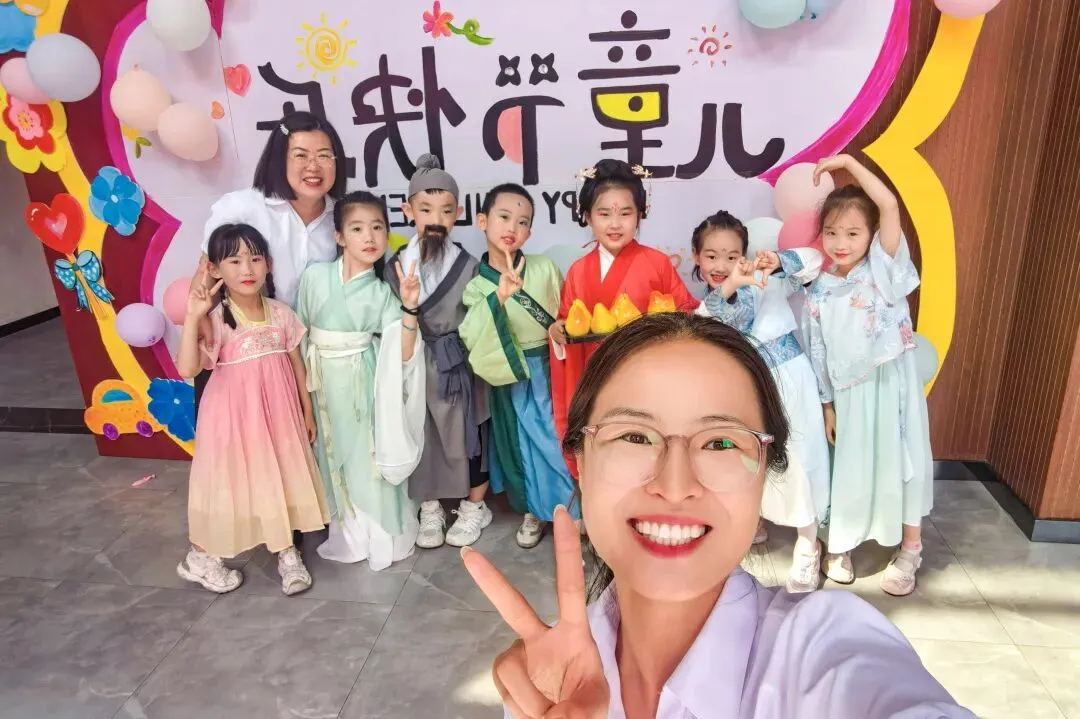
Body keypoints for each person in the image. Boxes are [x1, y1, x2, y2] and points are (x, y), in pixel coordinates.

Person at [461, 313, 974, 718]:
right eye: (634, 436)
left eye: (722, 442)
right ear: (579, 460)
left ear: (765, 472)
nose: (674, 485)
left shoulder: (825, 647)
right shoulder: (551, 684)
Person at [802, 154, 934, 596]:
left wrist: (847, 162)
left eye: (853, 233)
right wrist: (826, 404)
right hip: (846, 393)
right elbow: (817, 350)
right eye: (831, 232)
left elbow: (889, 204)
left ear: (873, 235)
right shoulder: (819, 288)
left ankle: (910, 549)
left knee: (903, 460)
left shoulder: (883, 267)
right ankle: (839, 545)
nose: (840, 242)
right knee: (848, 468)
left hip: (891, 386)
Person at [176, 224, 329, 595]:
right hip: (232, 420)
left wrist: (307, 411)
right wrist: (193, 316)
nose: (247, 269)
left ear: (268, 264)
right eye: (234, 260)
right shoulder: (215, 319)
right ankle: (201, 557)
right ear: (215, 269)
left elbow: (297, 365)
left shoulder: (281, 314)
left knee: (280, 476)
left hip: (279, 417)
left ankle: (287, 551)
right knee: (229, 485)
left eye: (255, 259)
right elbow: (188, 369)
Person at [692, 210, 830, 593]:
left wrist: (779, 261)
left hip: (790, 380)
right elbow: (714, 320)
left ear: (746, 254)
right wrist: (732, 284)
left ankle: (807, 545)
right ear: (697, 257)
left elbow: (815, 262)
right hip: (746, 388)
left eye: (732, 256)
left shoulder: (769, 280)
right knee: (752, 458)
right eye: (712, 255)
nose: (721, 265)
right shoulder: (709, 304)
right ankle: (758, 518)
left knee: (799, 456)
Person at [296, 191, 427, 570]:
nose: (369, 237)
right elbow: (298, 337)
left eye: (377, 228)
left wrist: (409, 307)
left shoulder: (383, 292)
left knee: (367, 459)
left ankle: (381, 535)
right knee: (331, 455)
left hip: (364, 382)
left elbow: (403, 352)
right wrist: (304, 400)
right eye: (357, 229)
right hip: (322, 383)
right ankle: (348, 533)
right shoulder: (314, 277)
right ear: (339, 236)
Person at [192, 111, 347, 409]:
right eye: (300, 155)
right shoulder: (242, 207)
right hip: (246, 357)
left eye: (324, 155)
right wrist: (199, 326)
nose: (313, 166)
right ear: (279, 159)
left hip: (314, 355)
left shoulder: (342, 216)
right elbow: (205, 276)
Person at [550, 158, 698, 461]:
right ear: (587, 216)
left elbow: (687, 316)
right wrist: (557, 332)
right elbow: (568, 323)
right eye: (604, 213)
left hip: (649, 379)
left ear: (640, 214)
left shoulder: (657, 264)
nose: (615, 224)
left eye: (625, 213)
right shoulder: (578, 271)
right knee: (604, 453)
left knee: (649, 452)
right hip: (597, 381)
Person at [382, 154, 492, 549]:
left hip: (459, 364)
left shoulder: (469, 265)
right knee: (422, 434)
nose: (435, 219)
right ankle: (430, 507)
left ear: (458, 214)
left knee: (470, 433)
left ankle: (474, 506)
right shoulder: (394, 267)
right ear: (407, 211)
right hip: (415, 363)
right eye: (425, 209)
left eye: (446, 210)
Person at [459, 183, 576, 549]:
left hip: (550, 368)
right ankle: (533, 511)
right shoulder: (476, 286)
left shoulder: (544, 268)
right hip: (510, 372)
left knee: (556, 440)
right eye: (504, 217)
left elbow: (565, 312)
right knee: (521, 446)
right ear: (483, 221)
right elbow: (472, 333)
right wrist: (499, 295)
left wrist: (559, 328)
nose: (512, 227)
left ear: (530, 232)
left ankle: (571, 510)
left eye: (522, 222)